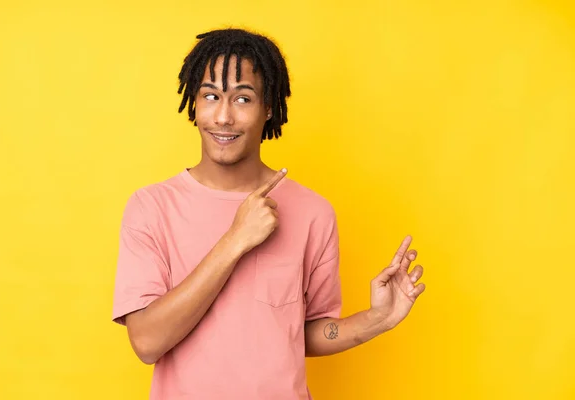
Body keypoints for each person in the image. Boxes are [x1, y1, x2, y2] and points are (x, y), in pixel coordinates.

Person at [111, 28, 426, 400]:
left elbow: (301, 332)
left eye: (242, 99)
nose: (223, 117)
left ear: (270, 108)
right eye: (211, 96)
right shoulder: (152, 207)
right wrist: (235, 241)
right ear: (194, 105)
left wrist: (377, 320)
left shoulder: (313, 213)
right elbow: (146, 342)